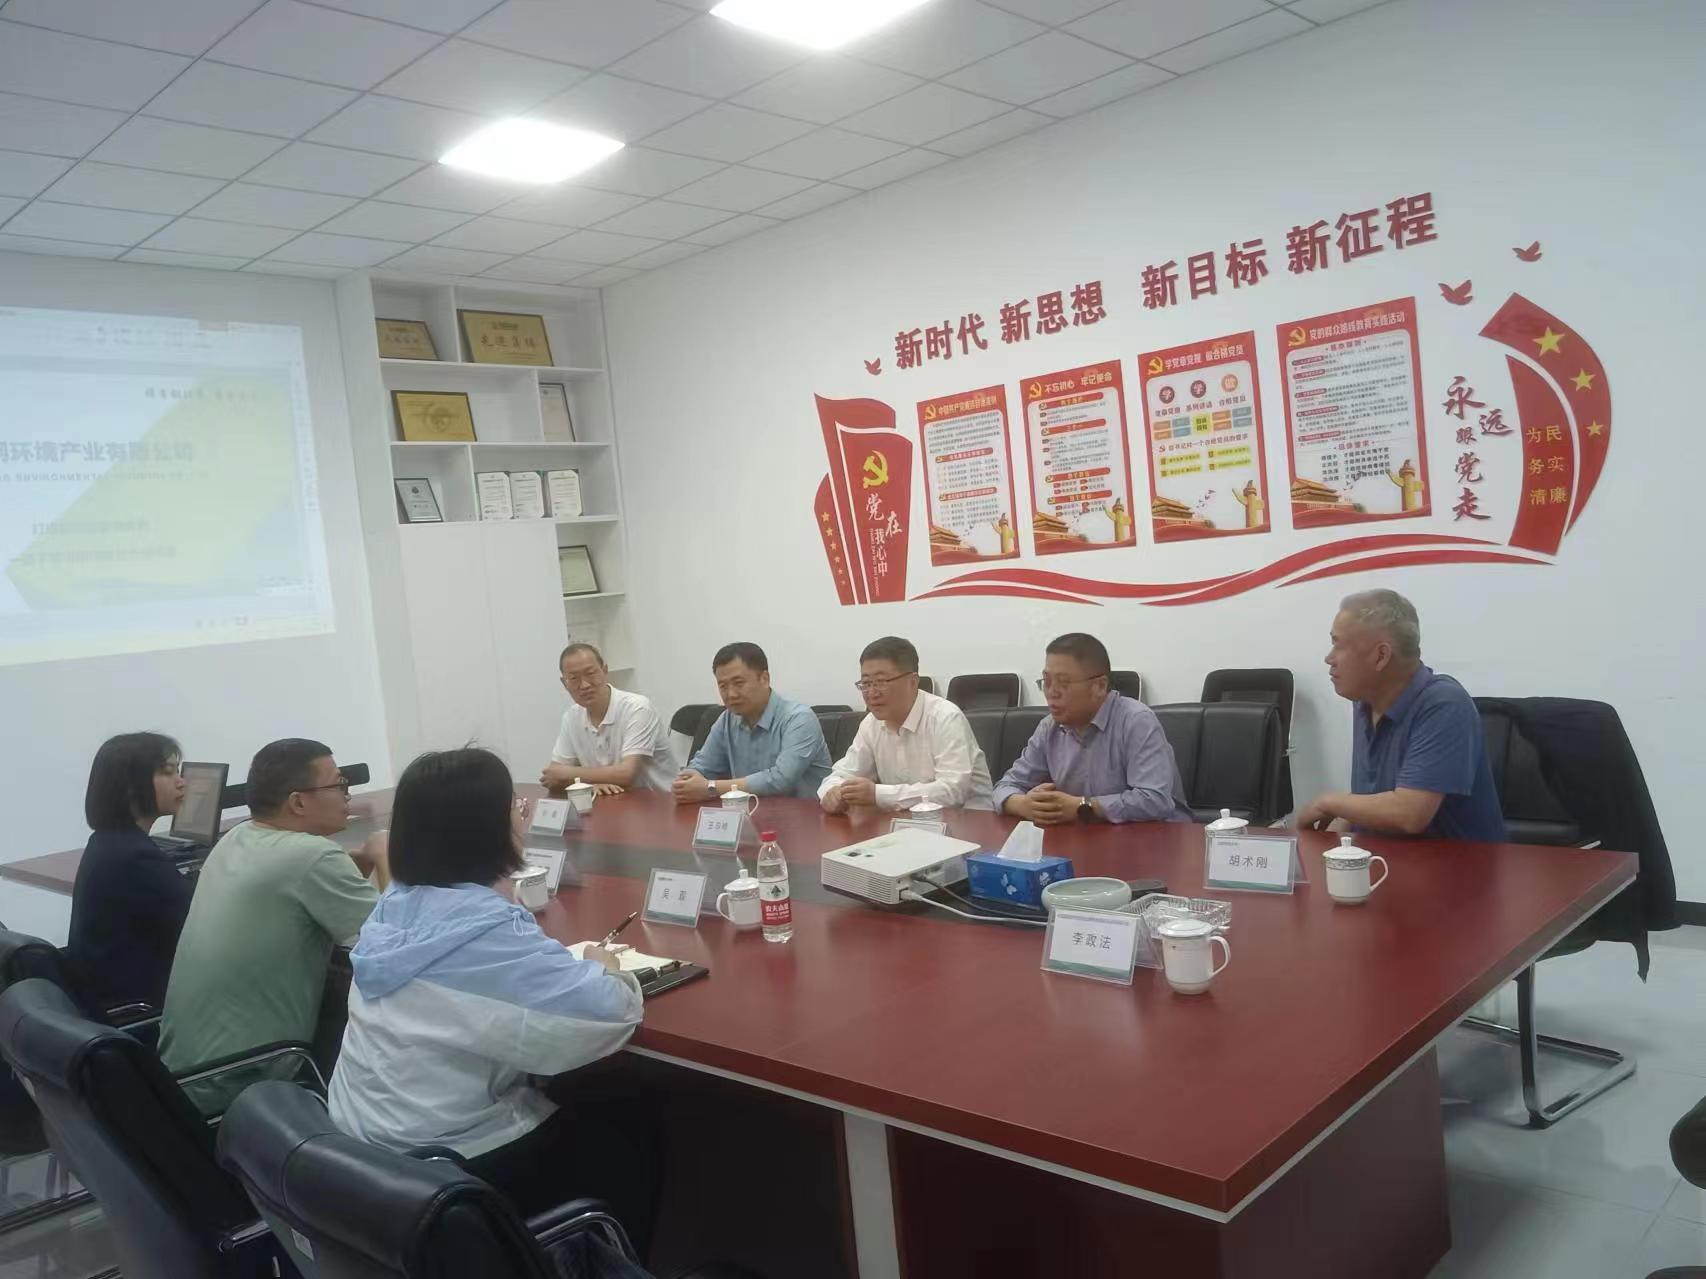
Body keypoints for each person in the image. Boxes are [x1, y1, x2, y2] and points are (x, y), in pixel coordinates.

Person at [328, 747, 652, 1239]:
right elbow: (606, 1015)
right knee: (628, 1118)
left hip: (361, 1144)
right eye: (514, 807)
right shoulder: (480, 932)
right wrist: (605, 967)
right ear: (486, 829)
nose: (521, 817)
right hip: (445, 1169)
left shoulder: (393, 905)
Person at [159, 739, 386, 1072]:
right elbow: (397, 950)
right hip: (248, 1078)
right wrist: (384, 855)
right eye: (339, 784)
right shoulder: (313, 856)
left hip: (183, 1075)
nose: (347, 794)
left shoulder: (236, 838)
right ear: (298, 802)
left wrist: (348, 873)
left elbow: (290, 893)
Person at [1297, 589, 1507, 840]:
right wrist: (1341, 832)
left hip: (1455, 862)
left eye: (1338, 644)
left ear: (1381, 656)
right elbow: (1372, 798)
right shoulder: (1364, 700)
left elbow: (1410, 813)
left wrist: (1328, 803)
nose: (1329, 658)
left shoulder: (1445, 704)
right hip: (1384, 857)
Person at [993, 633, 1192, 825]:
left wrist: (1083, 807)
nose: (1052, 692)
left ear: (1099, 686)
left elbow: (1155, 800)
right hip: (1087, 837)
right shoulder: (1049, 727)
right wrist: (1024, 805)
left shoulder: (1136, 721)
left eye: (1063, 682)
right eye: (1047, 682)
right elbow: (1005, 786)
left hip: (1158, 837)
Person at [67, 733, 194, 1013]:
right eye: (167, 772)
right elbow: (200, 924)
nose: (181, 781)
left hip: (102, 1003)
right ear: (130, 786)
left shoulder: (108, 841)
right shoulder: (136, 857)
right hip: (140, 1012)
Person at [820, 636, 993, 812]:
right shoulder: (870, 724)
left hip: (969, 820)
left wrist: (878, 795)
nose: (872, 693)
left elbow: (952, 792)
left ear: (913, 681)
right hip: (906, 822)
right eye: (866, 683)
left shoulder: (945, 717)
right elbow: (843, 774)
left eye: (881, 682)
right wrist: (834, 792)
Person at [671, 642, 831, 802]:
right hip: (749, 812)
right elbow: (702, 766)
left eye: (739, 683)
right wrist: (686, 782)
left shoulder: (799, 718)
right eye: (723, 686)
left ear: (764, 679)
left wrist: (710, 788)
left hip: (804, 815)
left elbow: (780, 780)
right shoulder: (727, 719)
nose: (731, 694)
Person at [541, 643, 677, 795]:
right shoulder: (571, 716)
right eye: (573, 678)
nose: (584, 685)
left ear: (605, 671)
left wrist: (567, 774)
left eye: (590, 673)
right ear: (564, 683)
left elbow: (626, 774)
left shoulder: (638, 708)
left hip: (659, 801)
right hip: (612, 802)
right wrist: (590, 785)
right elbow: (552, 777)